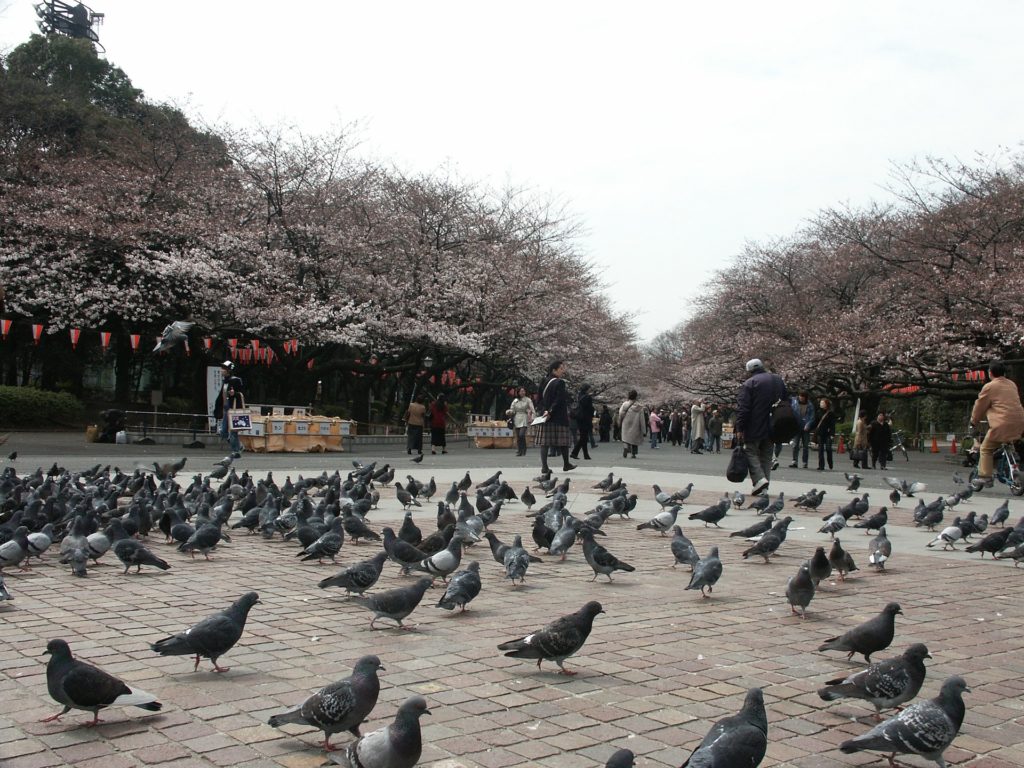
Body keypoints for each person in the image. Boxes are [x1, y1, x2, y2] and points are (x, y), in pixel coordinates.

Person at [735, 358, 787, 496]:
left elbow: (744, 408)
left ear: (749, 370)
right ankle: (764, 488)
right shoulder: (778, 380)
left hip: (754, 425)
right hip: (774, 425)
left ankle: (759, 479)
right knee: (767, 455)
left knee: (750, 451)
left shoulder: (750, 383)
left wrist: (740, 427)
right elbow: (786, 400)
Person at [970, 361, 1024, 487]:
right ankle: (1012, 464)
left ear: (990, 373)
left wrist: (974, 421)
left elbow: (980, 406)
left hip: (1002, 424)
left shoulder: (990, 386)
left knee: (986, 449)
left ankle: (986, 477)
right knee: (1008, 443)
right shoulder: (1012, 384)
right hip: (1019, 422)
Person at [535, 360, 576, 473]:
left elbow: (538, 399)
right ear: (554, 370)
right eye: (561, 369)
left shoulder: (543, 380)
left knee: (545, 442)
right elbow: (559, 399)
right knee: (563, 441)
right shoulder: (560, 382)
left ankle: (544, 467)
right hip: (558, 417)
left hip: (545, 417)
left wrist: (544, 411)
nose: (563, 371)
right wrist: (551, 411)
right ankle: (566, 464)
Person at [213, 361, 245, 459]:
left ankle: (236, 451)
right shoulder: (225, 381)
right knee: (223, 432)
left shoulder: (236, 380)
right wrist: (218, 407)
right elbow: (221, 395)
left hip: (234, 409)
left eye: (223, 368)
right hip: (226, 408)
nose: (221, 370)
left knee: (233, 432)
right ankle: (239, 446)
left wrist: (234, 393)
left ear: (229, 370)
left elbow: (241, 393)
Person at [787, 392, 816, 468]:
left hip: (806, 427)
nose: (801, 398)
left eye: (802, 397)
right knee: (795, 445)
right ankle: (794, 461)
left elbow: (812, 417)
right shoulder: (795, 402)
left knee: (805, 446)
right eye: (800, 397)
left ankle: (805, 462)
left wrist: (808, 424)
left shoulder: (810, 405)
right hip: (797, 426)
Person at [506, 387, 535, 457]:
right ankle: (519, 450)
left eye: (524, 391)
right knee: (518, 436)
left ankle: (524, 449)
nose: (523, 392)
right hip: (516, 418)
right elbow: (512, 409)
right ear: (518, 392)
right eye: (521, 391)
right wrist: (509, 412)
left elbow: (532, 409)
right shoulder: (515, 400)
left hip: (524, 418)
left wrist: (533, 418)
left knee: (522, 435)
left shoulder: (528, 400)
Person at [570, 384, 595, 460]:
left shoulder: (579, 396)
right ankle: (574, 452)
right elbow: (590, 409)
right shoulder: (588, 397)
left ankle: (585, 454)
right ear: (587, 389)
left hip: (579, 418)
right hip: (586, 419)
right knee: (583, 437)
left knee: (583, 437)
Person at [618, 390, 645, 459]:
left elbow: (620, 413)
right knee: (635, 439)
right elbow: (642, 419)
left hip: (626, 423)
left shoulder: (625, 404)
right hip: (635, 424)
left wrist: (619, 421)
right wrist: (643, 430)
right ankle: (633, 454)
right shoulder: (639, 407)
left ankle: (626, 447)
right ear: (636, 396)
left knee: (625, 437)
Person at [814, 398, 838, 471]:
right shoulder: (818, 412)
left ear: (826, 404)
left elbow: (832, 424)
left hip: (828, 433)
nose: (821, 404)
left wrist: (832, 434)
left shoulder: (830, 413)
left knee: (828, 449)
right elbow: (816, 422)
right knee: (820, 450)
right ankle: (821, 465)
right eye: (821, 403)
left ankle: (830, 463)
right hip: (820, 433)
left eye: (823, 403)